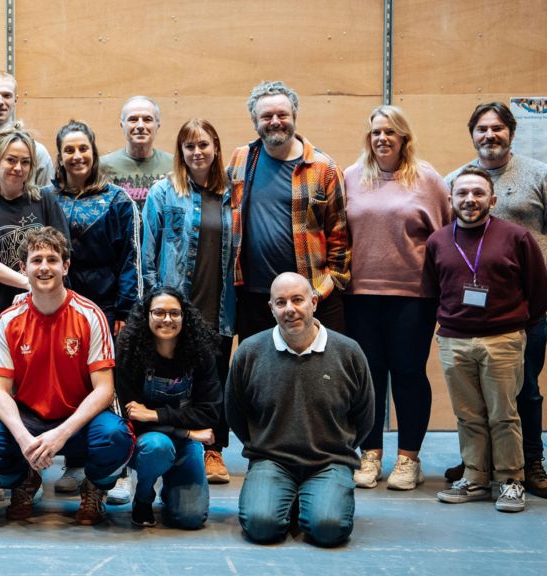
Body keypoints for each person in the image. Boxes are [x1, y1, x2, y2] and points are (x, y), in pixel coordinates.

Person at [0, 227, 134, 526]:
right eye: (36, 260)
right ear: (23, 268)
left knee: (117, 438)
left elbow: (104, 390)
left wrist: (61, 433)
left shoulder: (91, 315)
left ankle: (94, 486)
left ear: (66, 267)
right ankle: (23, 479)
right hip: (28, 418)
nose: (43, 267)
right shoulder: (9, 320)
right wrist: (25, 440)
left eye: (52, 260)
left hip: (79, 421)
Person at [425, 166, 547, 513]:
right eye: (462, 193)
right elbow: (434, 290)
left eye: (478, 193)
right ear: (451, 199)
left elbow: (538, 291)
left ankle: (511, 481)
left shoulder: (516, 237)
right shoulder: (438, 241)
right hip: (454, 341)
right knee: (468, 415)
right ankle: (476, 479)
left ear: (492, 200)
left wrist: (516, 324)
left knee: (504, 414)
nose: (470, 199)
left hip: (503, 339)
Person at [343, 106, 451, 491]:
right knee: (367, 378)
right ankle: (370, 454)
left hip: (413, 296)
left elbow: (444, 237)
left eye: (390, 131)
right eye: (375, 132)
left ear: (404, 137)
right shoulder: (352, 177)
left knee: (407, 374)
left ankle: (409, 459)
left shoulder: (427, 179)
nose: (381, 138)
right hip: (360, 296)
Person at [227, 272, 374, 547]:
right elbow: (236, 412)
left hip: (329, 461)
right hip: (272, 460)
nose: (290, 309)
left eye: (298, 300)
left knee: (328, 529)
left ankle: (313, 496)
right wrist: (261, 445)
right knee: (261, 527)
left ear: (314, 302)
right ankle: (287, 495)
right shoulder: (250, 352)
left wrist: (340, 448)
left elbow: (364, 415)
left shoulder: (348, 352)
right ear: (271, 308)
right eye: (280, 303)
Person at [43, 120, 139, 500]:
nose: (76, 156)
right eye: (69, 150)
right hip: (61, 309)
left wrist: (125, 313)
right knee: (71, 385)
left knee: (112, 388)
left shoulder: (118, 200)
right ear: (60, 155)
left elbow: (130, 259)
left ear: (94, 152)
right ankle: (76, 462)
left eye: (83, 148)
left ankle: (120, 469)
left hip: (107, 308)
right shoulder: (48, 198)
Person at [143, 118, 237, 486]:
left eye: (203, 145)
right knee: (173, 381)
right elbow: (146, 255)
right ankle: (170, 448)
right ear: (180, 152)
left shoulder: (231, 193)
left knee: (216, 378)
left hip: (219, 305)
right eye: (189, 146)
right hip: (174, 308)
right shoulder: (163, 192)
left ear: (215, 147)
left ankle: (214, 450)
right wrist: (153, 302)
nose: (197, 152)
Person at [227, 81, 349, 339]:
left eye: (282, 114)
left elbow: (340, 235)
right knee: (260, 376)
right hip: (255, 297)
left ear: (294, 116)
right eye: (266, 116)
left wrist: (326, 287)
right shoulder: (241, 159)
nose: (275, 121)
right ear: (254, 120)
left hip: (312, 297)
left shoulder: (323, 168)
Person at [115, 286, 221, 529]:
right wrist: (186, 431)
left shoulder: (200, 353)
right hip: (146, 443)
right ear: (147, 315)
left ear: (185, 317)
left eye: (175, 313)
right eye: (159, 313)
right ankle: (143, 497)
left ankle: (171, 487)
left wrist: (155, 414)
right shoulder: (130, 352)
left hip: (184, 445)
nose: (167, 320)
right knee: (157, 446)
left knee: (191, 518)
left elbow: (210, 412)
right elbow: (134, 418)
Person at [0, 123, 69, 340]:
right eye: (11, 160)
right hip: (4, 306)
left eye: (25, 162)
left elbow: (64, 251)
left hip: (51, 302)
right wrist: (29, 283)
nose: (18, 167)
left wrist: (40, 285)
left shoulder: (44, 199)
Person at [0, 71, 53, 186]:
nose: (0, 102)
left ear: (15, 100)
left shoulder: (37, 152)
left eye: (7, 96)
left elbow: (47, 199)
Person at [100, 96, 175, 210]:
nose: (140, 126)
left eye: (147, 119)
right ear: (122, 125)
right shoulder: (102, 165)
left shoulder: (174, 164)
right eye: (133, 119)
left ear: (157, 125)